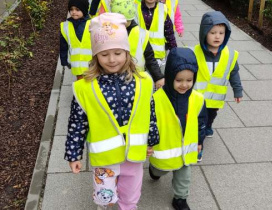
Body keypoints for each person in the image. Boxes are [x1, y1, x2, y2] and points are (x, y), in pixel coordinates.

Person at [64, 13, 159, 210]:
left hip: (133, 156)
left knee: (130, 198)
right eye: (104, 54)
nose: (112, 59)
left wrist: (151, 141)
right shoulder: (85, 88)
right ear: (96, 56)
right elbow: (77, 122)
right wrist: (74, 154)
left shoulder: (144, 82)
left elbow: (149, 113)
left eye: (118, 52)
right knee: (104, 198)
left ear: (127, 52)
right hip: (104, 159)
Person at [149, 47, 207, 210]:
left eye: (189, 80)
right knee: (161, 170)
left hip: (186, 150)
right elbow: (150, 122)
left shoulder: (197, 99)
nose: (184, 84)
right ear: (169, 77)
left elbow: (201, 122)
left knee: (184, 176)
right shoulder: (156, 99)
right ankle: (154, 171)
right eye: (179, 80)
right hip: (164, 148)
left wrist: (199, 140)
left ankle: (180, 198)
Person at [193, 11, 243, 138]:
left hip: (215, 98)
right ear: (204, 33)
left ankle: (208, 126)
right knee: (199, 115)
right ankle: (199, 131)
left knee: (211, 115)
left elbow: (234, 73)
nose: (217, 37)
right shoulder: (196, 52)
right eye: (213, 33)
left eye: (221, 33)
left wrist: (238, 90)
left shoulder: (230, 54)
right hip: (199, 96)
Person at [110, 0, 165, 89]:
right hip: (114, 80)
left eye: (125, 22)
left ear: (131, 18)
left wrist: (158, 77)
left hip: (137, 79)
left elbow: (150, 58)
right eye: (118, 22)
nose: (121, 25)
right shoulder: (109, 33)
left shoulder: (141, 34)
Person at [135, 0, 177, 73]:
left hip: (157, 57)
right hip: (140, 55)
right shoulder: (136, 9)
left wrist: (174, 50)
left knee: (157, 80)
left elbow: (169, 32)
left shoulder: (162, 9)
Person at [60, 0, 92, 80]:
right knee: (80, 83)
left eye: (77, 10)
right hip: (77, 64)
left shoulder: (92, 24)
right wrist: (64, 60)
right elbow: (63, 45)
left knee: (92, 83)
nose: (74, 12)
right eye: (71, 9)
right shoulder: (66, 26)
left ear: (84, 10)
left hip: (92, 63)